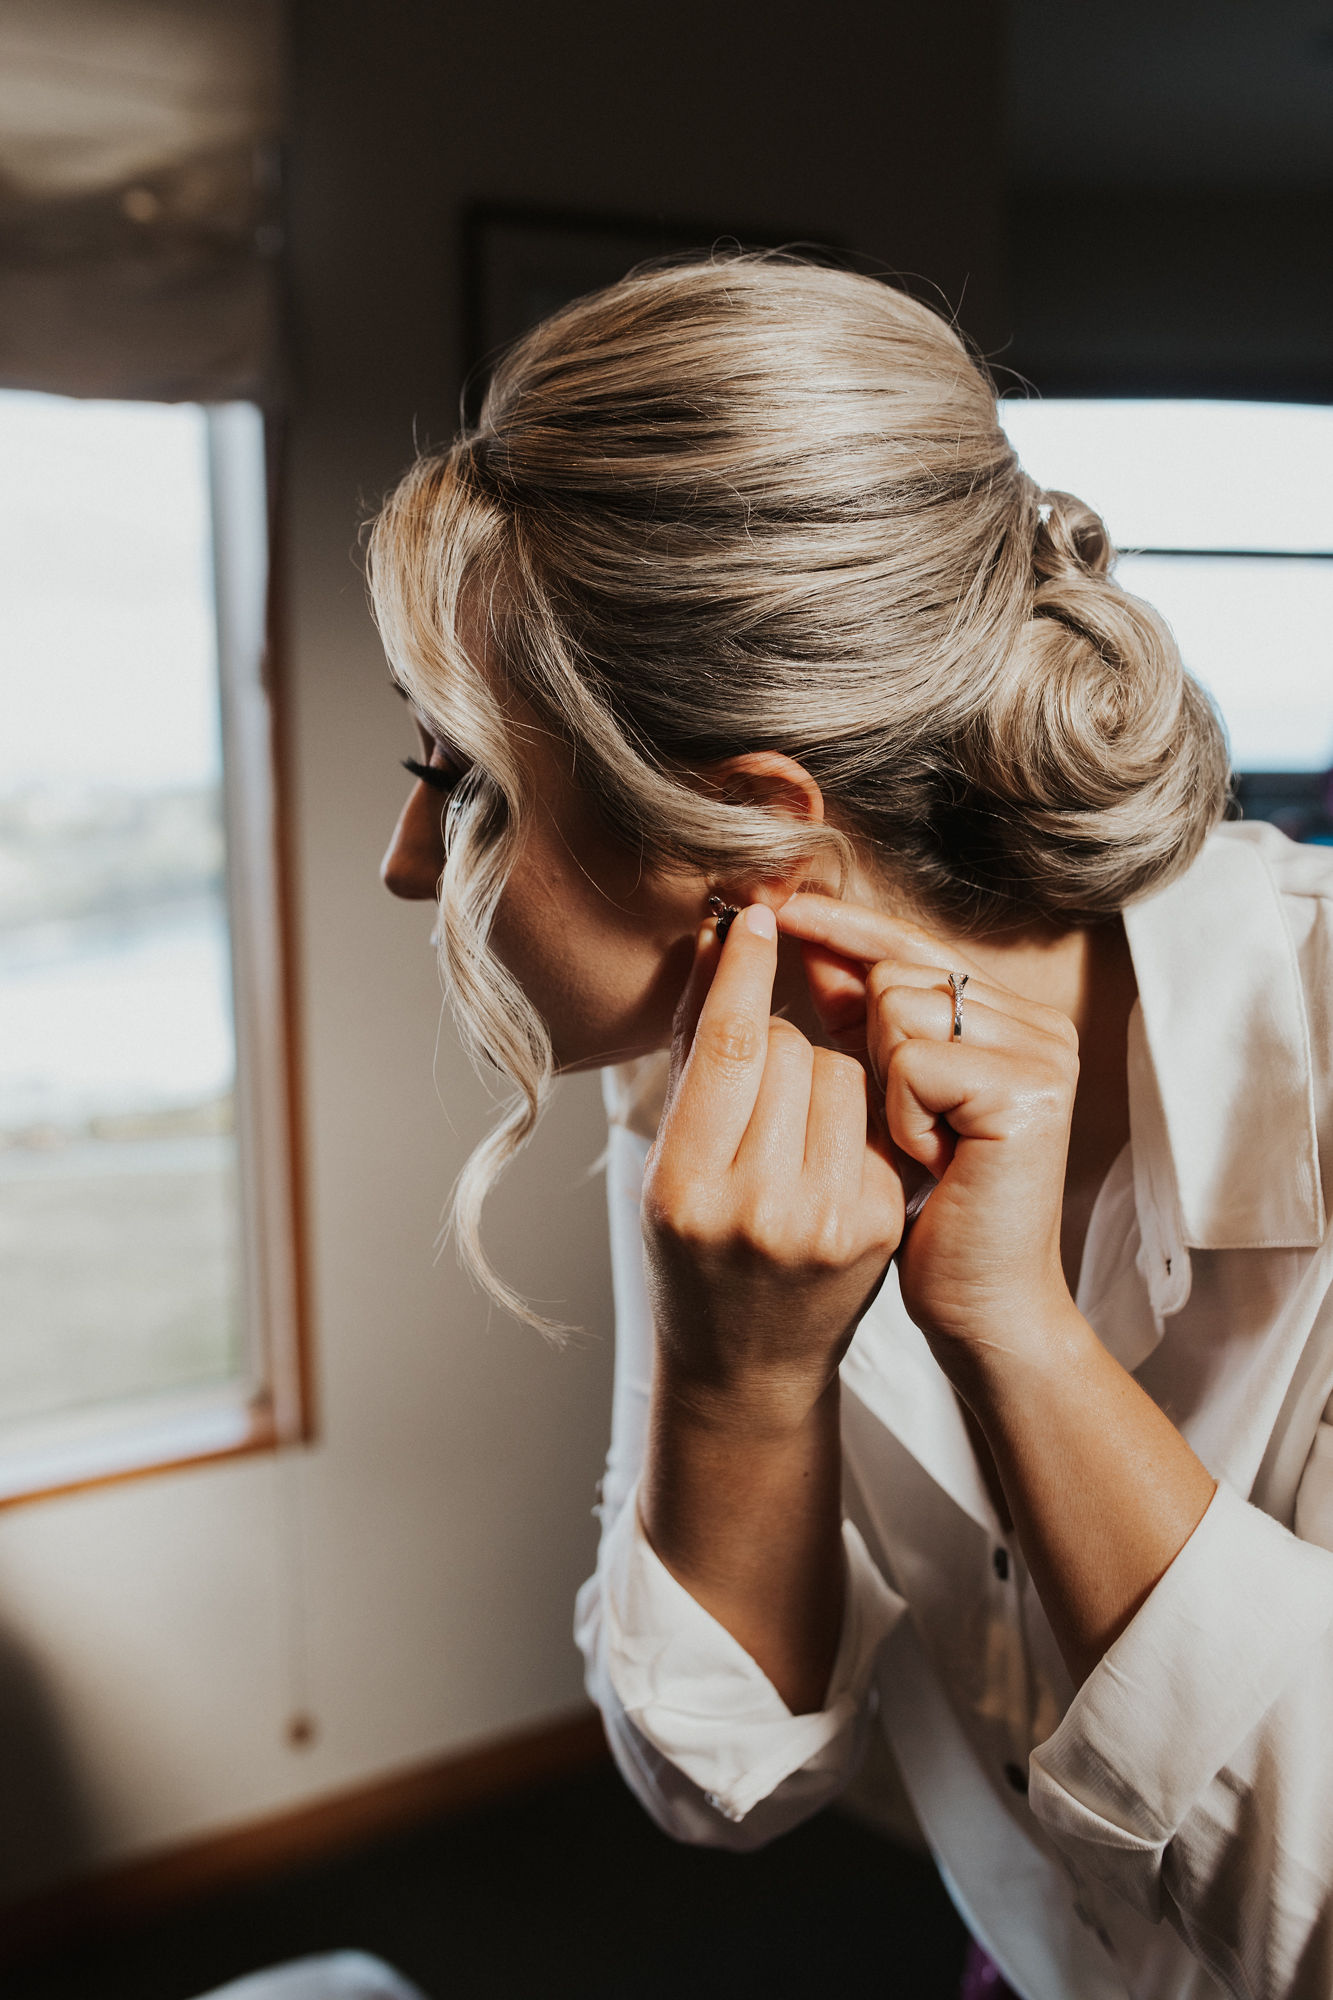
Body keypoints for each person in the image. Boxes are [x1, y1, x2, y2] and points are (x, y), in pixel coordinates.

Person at [372, 254, 1333, 2000]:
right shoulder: (712, 1067)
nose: (409, 861)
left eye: (464, 779)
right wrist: (741, 1387)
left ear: (753, 842)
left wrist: (1020, 1345)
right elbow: (711, 1778)